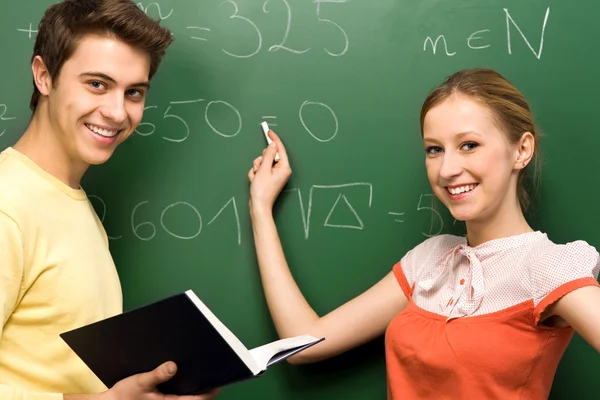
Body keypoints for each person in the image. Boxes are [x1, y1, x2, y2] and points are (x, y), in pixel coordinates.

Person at [247, 67, 600, 399]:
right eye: (434, 149)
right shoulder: (430, 261)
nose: (447, 169)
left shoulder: (548, 267)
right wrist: (261, 208)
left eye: (469, 145)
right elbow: (302, 345)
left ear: (521, 150)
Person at [0, 1, 220, 399]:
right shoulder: (7, 207)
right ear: (44, 76)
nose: (118, 112)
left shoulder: (70, 203)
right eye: (97, 84)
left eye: (133, 92)